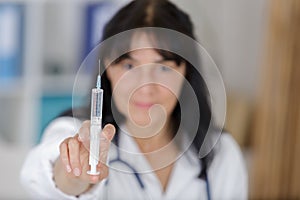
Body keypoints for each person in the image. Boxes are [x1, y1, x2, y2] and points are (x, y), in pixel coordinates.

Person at [21, 0, 248, 199]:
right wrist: (75, 172)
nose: (145, 87)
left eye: (163, 68)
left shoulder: (222, 153)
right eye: (129, 66)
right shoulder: (73, 131)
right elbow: (45, 177)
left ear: (186, 72)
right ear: (108, 68)